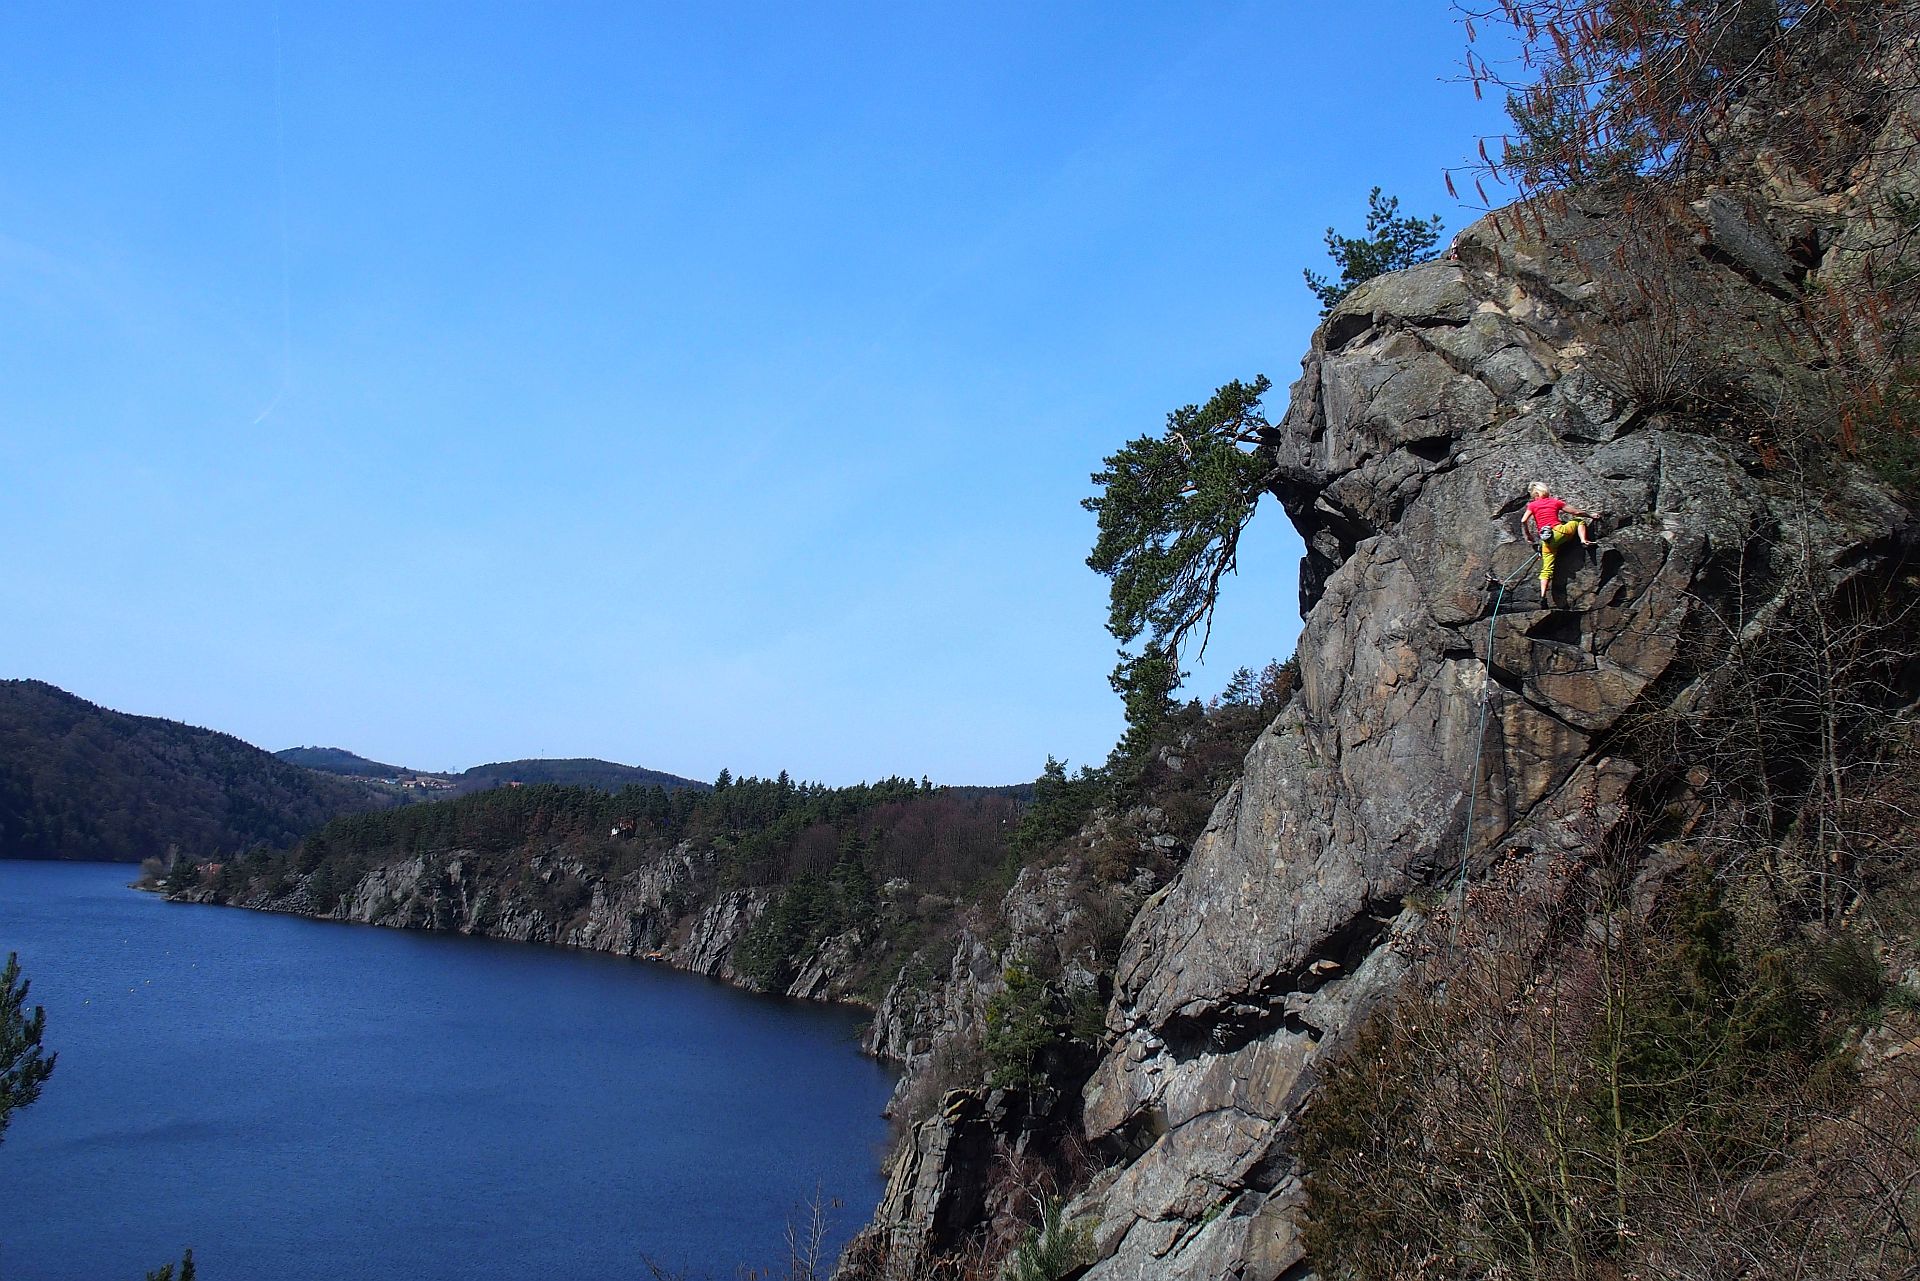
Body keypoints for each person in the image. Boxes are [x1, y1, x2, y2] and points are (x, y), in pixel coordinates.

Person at [1522, 481, 1599, 598]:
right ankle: (1584, 540)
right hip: (1560, 532)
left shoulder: (1532, 505)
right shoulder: (1554, 502)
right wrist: (1591, 515)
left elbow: (1523, 520)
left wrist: (1528, 535)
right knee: (1579, 521)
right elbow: (1576, 512)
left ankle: (1543, 596)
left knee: (1546, 569)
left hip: (1547, 540)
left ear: (1535, 494)